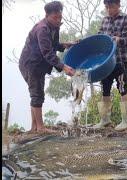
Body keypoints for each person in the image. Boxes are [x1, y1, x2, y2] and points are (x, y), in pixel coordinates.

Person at [19, 1, 77, 134]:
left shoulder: (54, 27)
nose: (58, 20)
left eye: (60, 17)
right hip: (30, 64)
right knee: (37, 94)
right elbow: (47, 52)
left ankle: (34, 127)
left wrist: (65, 45)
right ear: (47, 15)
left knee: (37, 93)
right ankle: (40, 128)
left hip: (39, 64)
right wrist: (64, 67)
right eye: (55, 18)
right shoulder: (42, 29)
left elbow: (54, 44)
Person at [94, 0, 127, 131]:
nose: (108, 9)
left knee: (123, 88)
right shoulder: (105, 20)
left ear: (118, 5)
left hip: (121, 60)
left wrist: (118, 39)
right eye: (106, 7)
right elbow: (99, 37)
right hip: (106, 62)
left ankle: (126, 120)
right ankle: (105, 120)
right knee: (105, 89)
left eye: (111, 6)